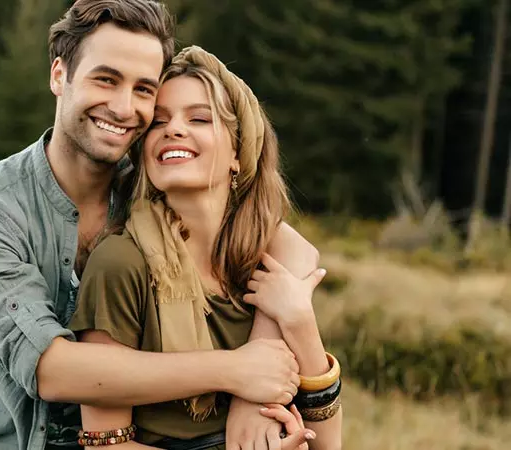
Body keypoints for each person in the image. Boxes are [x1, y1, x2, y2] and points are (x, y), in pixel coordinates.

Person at [0, 1, 320, 449]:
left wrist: (253, 390)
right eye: (106, 79)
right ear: (59, 75)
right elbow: (52, 370)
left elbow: (291, 248)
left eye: (144, 90)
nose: (124, 107)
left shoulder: (148, 199)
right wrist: (237, 370)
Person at [68, 46, 343, 450]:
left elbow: (328, 444)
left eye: (198, 118)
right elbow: (103, 445)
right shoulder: (122, 263)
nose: (173, 129)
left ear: (238, 152)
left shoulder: (267, 267)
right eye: (158, 122)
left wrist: (300, 321)